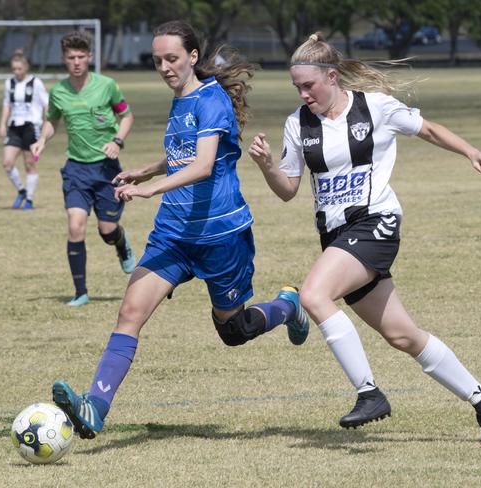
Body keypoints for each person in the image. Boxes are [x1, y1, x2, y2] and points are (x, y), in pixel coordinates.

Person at [50, 20, 310, 440]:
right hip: (173, 234)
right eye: (157, 61)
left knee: (233, 330)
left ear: (192, 57)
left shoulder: (212, 101)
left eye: (172, 58)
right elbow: (182, 153)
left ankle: (287, 306)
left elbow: (204, 164)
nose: (164, 67)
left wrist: (152, 187)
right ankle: (94, 407)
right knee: (130, 312)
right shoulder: (182, 100)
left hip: (220, 235)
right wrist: (146, 170)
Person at [248, 33, 481, 443]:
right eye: (296, 87)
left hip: (376, 223)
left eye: (309, 85)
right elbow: (288, 189)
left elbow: (429, 129)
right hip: (336, 238)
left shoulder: (375, 107)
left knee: (314, 295)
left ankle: (369, 393)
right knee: (403, 335)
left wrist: (471, 151)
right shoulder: (298, 124)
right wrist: (266, 166)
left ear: (332, 76)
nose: (303, 93)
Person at [30, 31, 136, 306]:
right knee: (75, 227)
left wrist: (117, 140)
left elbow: (126, 115)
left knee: (107, 230)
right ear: (64, 60)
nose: (76, 62)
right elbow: (52, 120)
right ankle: (81, 293)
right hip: (76, 169)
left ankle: (121, 244)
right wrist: (42, 139)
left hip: (106, 170)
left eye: (81, 57)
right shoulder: (59, 92)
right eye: (70, 58)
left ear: (89, 57)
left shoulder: (107, 85)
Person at [0, 49, 48, 210]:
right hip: (14, 126)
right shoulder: (9, 83)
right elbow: (7, 104)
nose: (16, 72)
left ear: (26, 67)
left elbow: (46, 105)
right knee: (7, 163)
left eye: (19, 69)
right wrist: (2, 124)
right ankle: (21, 190)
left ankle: (29, 199)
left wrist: (45, 126)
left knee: (29, 164)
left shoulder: (36, 83)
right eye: (14, 69)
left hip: (31, 127)